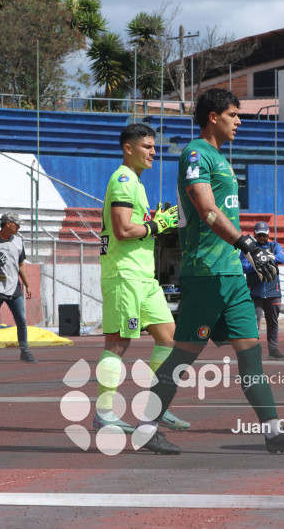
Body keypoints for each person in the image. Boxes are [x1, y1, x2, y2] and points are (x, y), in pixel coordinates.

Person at [132, 89, 284, 455]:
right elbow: (206, 209)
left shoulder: (219, 158)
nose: (239, 121)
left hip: (231, 275)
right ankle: (146, 428)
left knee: (251, 355)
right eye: (233, 114)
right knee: (183, 356)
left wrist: (244, 250)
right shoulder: (196, 153)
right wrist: (248, 245)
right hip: (206, 273)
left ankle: (273, 432)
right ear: (213, 117)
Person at [92, 123, 190, 434]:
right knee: (118, 343)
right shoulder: (123, 180)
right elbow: (122, 229)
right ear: (128, 148)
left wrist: (154, 221)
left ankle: (157, 407)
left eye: (153, 146)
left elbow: (136, 227)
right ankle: (103, 413)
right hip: (124, 274)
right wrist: (156, 226)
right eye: (147, 146)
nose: (153, 152)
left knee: (169, 338)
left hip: (144, 277)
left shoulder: (136, 183)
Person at [0, 211, 36, 365]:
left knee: (21, 321)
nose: (19, 228)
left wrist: (28, 285)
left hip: (14, 288)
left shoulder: (19, 242)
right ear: (8, 224)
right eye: (17, 225)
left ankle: (25, 352)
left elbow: (21, 266)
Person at [240, 221, 284, 360]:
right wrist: (257, 264)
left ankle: (273, 350)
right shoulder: (248, 247)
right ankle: (251, 351)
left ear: (268, 234)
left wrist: (271, 258)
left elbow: (282, 257)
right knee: (254, 323)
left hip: (273, 291)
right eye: (259, 235)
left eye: (264, 235)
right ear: (254, 234)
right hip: (254, 292)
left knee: (273, 322)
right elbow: (242, 265)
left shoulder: (274, 245)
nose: (262, 237)